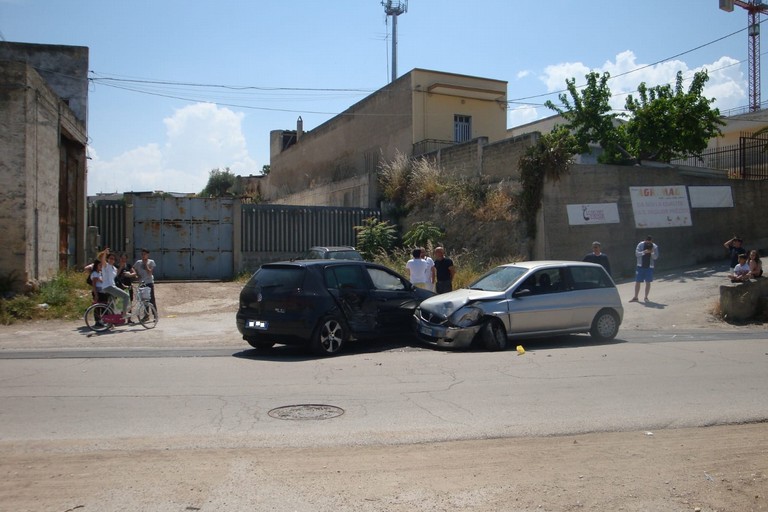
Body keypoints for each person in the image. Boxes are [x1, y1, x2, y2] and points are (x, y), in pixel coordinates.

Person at [99, 248, 130, 318]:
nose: (111, 260)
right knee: (126, 296)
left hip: (112, 286)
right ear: (108, 259)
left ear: (114, 260)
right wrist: (104, 253)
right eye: (110, 258)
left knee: (112, 304)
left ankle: (110, 321)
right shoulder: (106, 266)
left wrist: (121, 266)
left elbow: (116, 275)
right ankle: (124, 313)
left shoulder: (114, 268)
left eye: (113, 259)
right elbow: (102, 260)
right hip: (108, 286)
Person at [629, 236, 659, 303]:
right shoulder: (640, 244)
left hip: (649, 267)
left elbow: (655, 257)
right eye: (647, 242)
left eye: (650, 242)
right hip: (640, 266)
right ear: (645, 240)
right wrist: (644, 252)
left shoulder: (655, 246)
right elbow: (636, 254)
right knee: (637, 281)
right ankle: (636, 297)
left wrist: (651, 252)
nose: (648, 243)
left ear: (652, 241)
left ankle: (646, 297)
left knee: (648, 282)